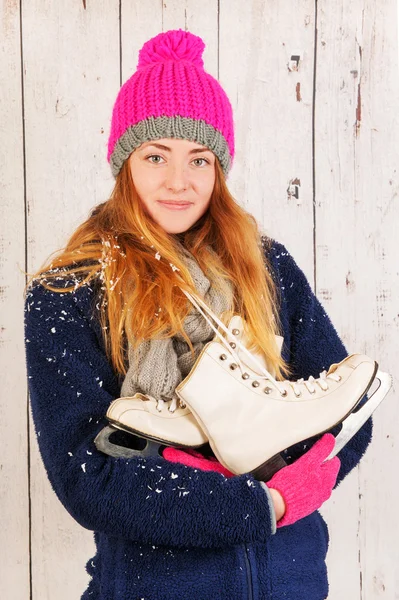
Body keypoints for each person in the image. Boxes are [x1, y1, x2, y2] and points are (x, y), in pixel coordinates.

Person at [24, 29, 372, 600]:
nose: (178, 181)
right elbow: (88, 474)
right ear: (125, 162)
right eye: (155, 155)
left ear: (219, 168)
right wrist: (264, 502)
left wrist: (311, 478)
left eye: (198, 159)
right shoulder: (71, 290)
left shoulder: (267, 267)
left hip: (291, 580)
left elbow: (347, 404)